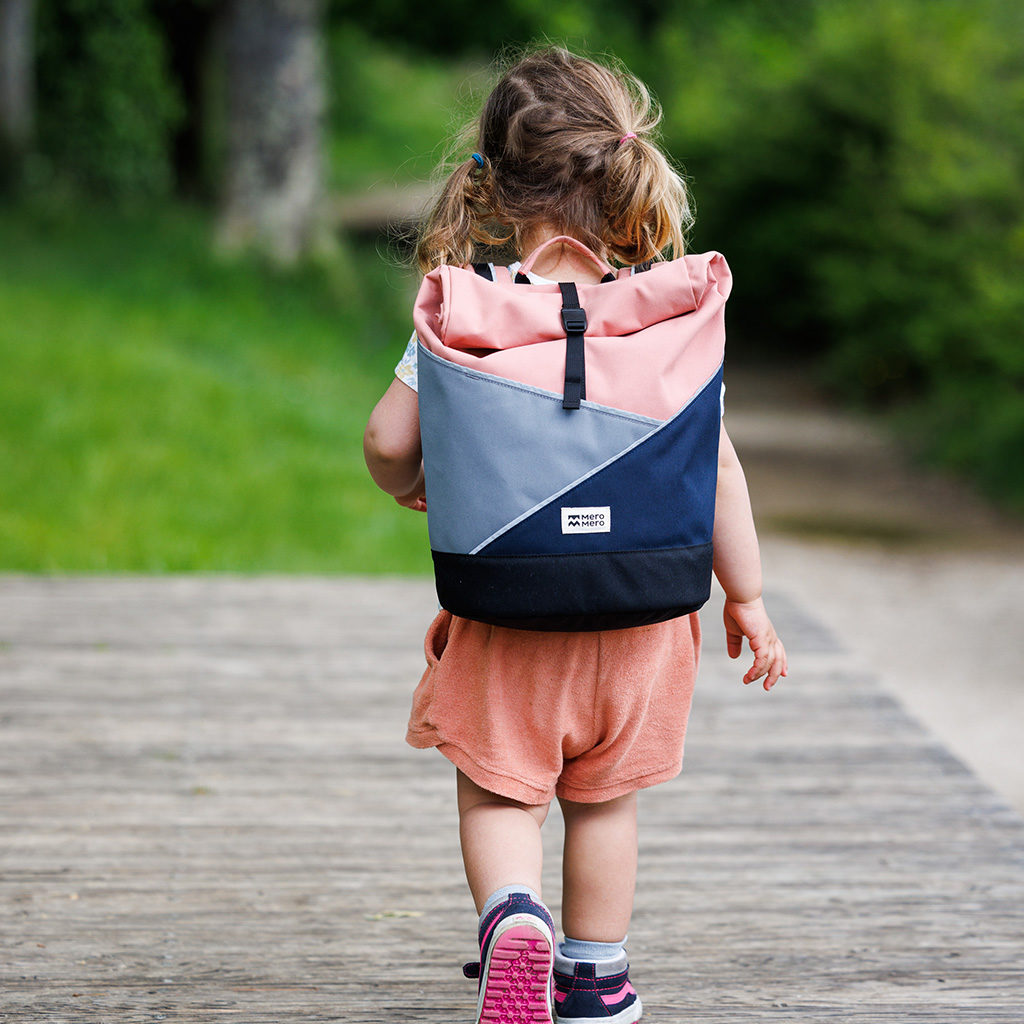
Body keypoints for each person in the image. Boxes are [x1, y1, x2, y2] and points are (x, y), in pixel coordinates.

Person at [364, 46, 787, 1024]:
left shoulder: (471, 311)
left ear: (494, 184)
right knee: (603, 802)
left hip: (508, 616)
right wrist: (749, 597)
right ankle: (596, 978)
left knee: (501, 793)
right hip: (643, 625)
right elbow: (718, 467)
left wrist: (417, 482)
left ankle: (514, 914)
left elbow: (387, 440)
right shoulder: (669, 320)